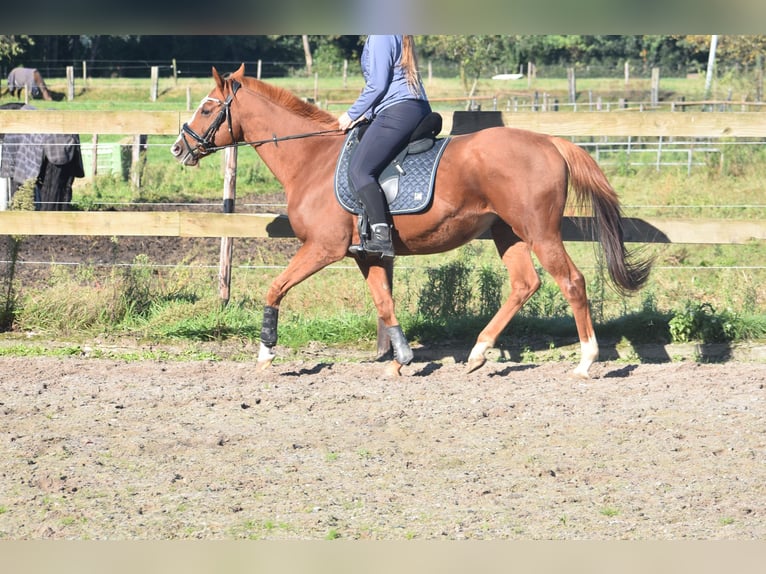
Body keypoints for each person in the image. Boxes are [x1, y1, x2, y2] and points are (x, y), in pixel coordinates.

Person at [338, 35, 431, 260]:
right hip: (413, 107)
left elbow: (378, 84)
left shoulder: (381, 34)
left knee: (360, 170)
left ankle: (381, 235)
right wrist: (367, 115)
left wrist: (352, 114)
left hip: (398, 110)